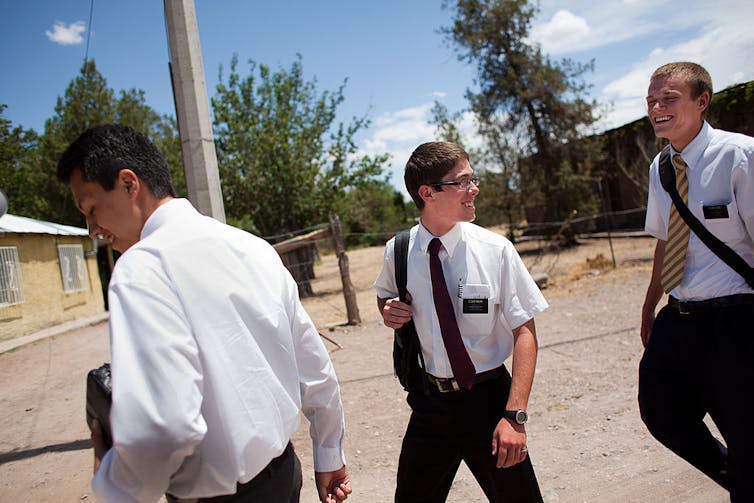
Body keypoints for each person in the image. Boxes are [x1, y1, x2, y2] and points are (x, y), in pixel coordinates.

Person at [57, 124, 351, 503]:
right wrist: (329, 452)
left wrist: (114, 487)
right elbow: (313, 366)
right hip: (283, 478)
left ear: (129, 184)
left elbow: (166, 426)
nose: (93, 229)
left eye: (92, 208)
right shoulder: (252, 247)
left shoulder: (141, 268)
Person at [374, 141, 547, 502]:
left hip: (488, 401)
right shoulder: (399, 251)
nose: (475, 189)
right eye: (463, 182)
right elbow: (385, 297)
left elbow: (524, 331)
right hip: (429, 404)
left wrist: (514, 416)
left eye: (473, 179)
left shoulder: (495, 249)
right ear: (428, 192)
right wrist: (388, 311)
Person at [639, 62, 754, 501]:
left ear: (701, 101)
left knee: (744, 426)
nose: (656, 108)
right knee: (661, 412)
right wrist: (651, 305)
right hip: (680, 315)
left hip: (737, 318)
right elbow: (666, 239)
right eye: (651, 100)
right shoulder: (661, 167)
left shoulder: (740, 156)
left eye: (668, 98)